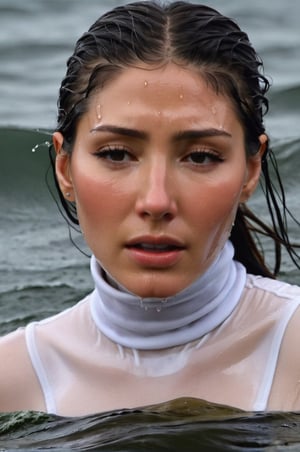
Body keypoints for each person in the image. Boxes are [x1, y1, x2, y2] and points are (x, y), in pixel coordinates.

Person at [0, 1, 300, 417]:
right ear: (65, 167)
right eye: (117, 153)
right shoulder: (12, 381)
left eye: (200, 157)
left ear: (250, 169)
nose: (156, 201)